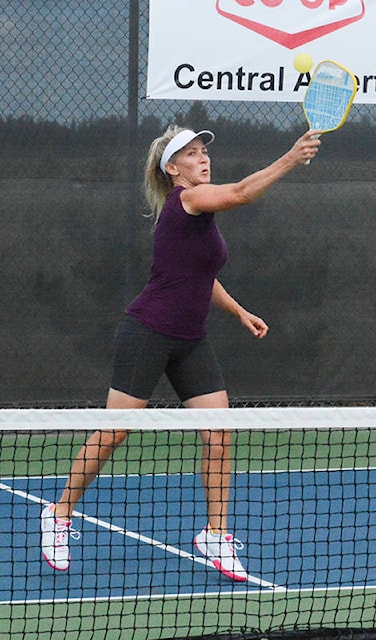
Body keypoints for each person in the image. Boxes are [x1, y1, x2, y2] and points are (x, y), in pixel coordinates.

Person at [39, 124, 322, 582]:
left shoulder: (198, 217)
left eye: (203, 151)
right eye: (190, 155)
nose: (202, 159)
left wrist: (238, 311)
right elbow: (245, 192)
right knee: (114, 433)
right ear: (173, 170)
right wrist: (291, 158)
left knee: (219, 434)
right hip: (148, 331)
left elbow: (200, 275)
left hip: (190, 339)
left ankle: (216, 533)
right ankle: (59, 513)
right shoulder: (188, 200)